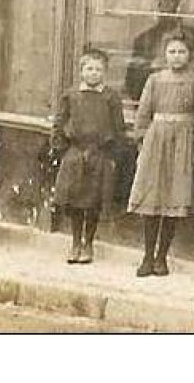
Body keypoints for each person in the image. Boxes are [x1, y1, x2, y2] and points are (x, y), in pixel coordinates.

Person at [127, 32, 194, 277]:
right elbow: (143, 114)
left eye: (182, 52)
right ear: (164, 54)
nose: (176, 57)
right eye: (172, 51)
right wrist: (142, 144)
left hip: (182, 144)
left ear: (190, 55)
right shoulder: (154, 80)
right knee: (152, 197)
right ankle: (147, 256)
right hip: (156, 141)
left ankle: (162, 257)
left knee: (173, 198)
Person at [50, 47, 127, 264]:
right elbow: (59, 122)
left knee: (93, 202)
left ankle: (88, 243)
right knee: (75, 201)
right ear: (82, 71)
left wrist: (114, 156)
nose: (94, 73)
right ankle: (75, 243)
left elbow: (119, 128)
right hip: (75, 153)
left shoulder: (111, 97)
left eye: (98, 69)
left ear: (105, 72)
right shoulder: (71, 95)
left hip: (100, 154)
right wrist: (62, 149)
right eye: (89, 69)